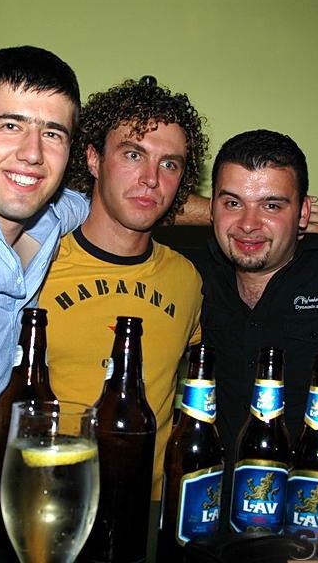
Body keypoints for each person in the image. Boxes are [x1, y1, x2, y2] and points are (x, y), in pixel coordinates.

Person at [40, 77, 206, 498]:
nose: (151, 179)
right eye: (134, 155)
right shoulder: (38, 264)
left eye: (169, 164)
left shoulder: (187, 279)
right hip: (49, 502)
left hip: (148, 514)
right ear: (93, 159)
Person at [185, 129, 318, 452]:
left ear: (303, 212)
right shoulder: (189, 273)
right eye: (233, 203)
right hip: (212, 480)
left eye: (271, 206)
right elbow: (121, 206)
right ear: (211, 208)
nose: (248, 224)